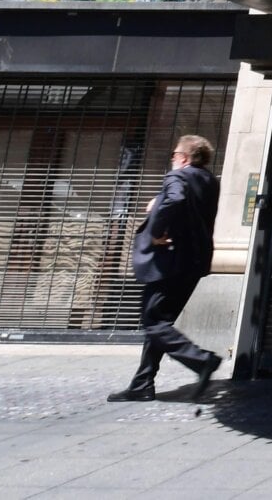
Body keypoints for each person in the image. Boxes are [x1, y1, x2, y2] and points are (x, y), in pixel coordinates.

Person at [108, 135, 224, 402]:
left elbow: (175, 200)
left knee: (153, 322)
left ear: (183, 158)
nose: (172, 159)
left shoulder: (178, 177)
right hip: (195, 262)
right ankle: (142, 384)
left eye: (174, 155)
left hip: (170, 261)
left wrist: (156, 232)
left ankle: (201, 360)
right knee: (160, 322)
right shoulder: (209, 181)